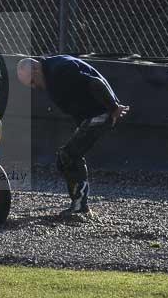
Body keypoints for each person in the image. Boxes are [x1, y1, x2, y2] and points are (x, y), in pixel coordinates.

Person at [16, 56, 130, 221]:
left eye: (33, 82)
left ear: (35, 68)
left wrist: (113, 107)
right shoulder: (52, 69)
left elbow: (95, 82)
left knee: (68, 156)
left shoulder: (59, 72)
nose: (35, 87)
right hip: (95, 114)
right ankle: (79, 205)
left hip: (100, 114)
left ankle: (80, 207)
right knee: (65, 158)